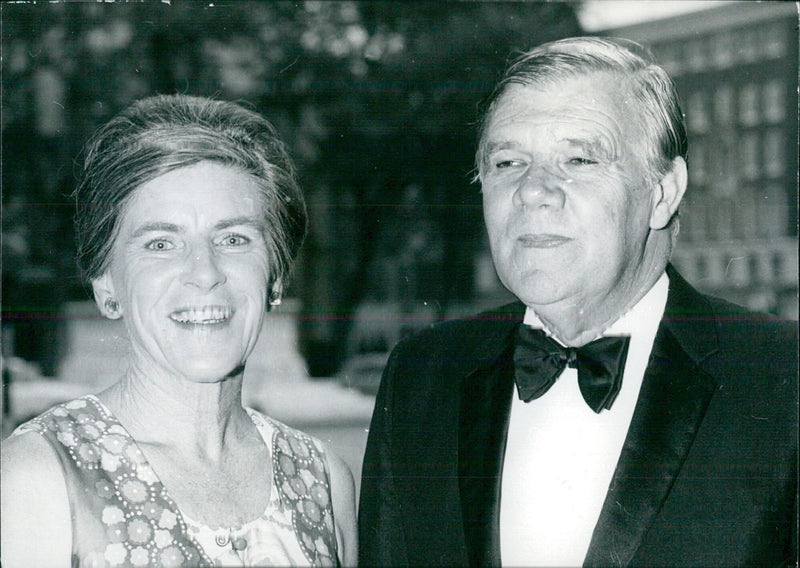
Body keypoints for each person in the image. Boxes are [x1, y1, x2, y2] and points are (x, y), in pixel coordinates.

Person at [358, 36, 797, 567]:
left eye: (580, 158)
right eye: (508, 163)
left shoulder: (782, 380)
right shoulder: (421, 379)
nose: (533, 190)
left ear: (662, 192)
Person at [1, 94, 357, 567]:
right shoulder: (40, 478)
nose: (205, 272)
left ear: (276, 276)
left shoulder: (323, 479)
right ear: (106, 284)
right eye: (161, 243)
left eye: (233, 238)